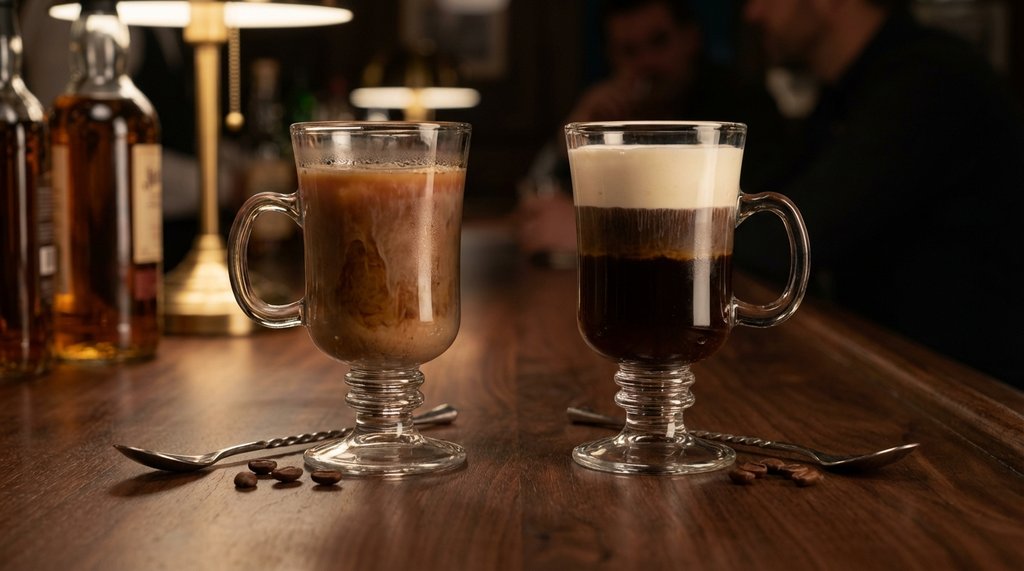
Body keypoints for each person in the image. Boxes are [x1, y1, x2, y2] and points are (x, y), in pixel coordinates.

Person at [739, 0, 1024, 386]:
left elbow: (786, 242)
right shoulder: (849, 91)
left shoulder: (930, 79)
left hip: (972, 396)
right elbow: (763, 204)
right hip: (895, 370)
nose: (752, 14)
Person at [518, 0, 780, 260]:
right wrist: (573, 135)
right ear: (612, 57)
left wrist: (597, 234)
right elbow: (534, 198)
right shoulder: (612, 116)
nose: (647, 62)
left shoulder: (741, 108)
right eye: (630, 51)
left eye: (659, 41)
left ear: (691, 38)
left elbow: (759, 233)